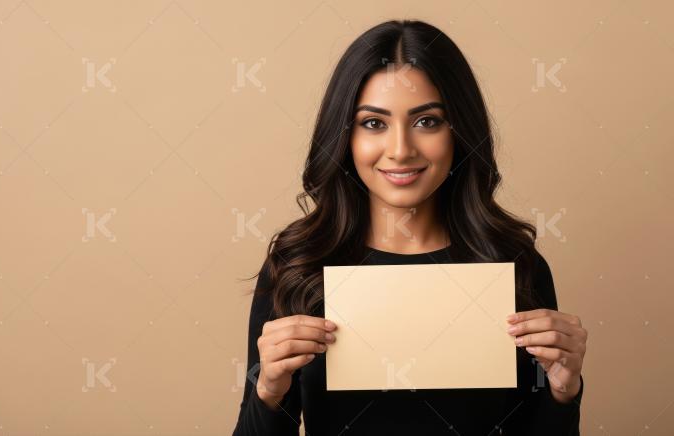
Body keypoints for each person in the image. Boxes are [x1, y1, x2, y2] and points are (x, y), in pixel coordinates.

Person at [232, 19, 587, 435]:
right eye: (373, 123)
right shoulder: (297, 267)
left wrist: (563, 392)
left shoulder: (514, 264)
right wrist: (268, 392)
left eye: (427, 121)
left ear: (459, 132)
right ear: (344, 136)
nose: (400, 150)